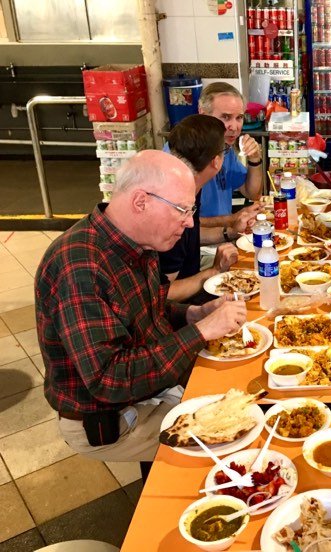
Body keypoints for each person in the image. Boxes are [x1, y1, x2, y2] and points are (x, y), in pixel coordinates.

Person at [35, 150, 249, 462]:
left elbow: (148, 307)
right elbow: (110, 380)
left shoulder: (137, 241)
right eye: (182, 210)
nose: (189, 223)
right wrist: (201, 331)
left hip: (149, 391)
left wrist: (193, 314)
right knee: (241, 442)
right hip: (112, 418)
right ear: (140, 202)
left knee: (240, 389)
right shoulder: (79, 267)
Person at [162, 114, 260, 302]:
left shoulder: (189, 185)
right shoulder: (174, 206)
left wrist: (230, 232)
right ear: (216, 162)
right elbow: (165, 294)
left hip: (192, 277)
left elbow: (190, 235)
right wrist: (214, 271)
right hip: (176, 311)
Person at [196, 82, 264, 226]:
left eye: (239, 117)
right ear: (203, 114)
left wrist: (255, 159)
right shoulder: (184, 151)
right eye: (226, 117)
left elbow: (252, 193)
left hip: (223, 236)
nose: (234, 127)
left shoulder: (225, 148)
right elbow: (184, 224)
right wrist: (232, 219)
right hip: (199, 245)